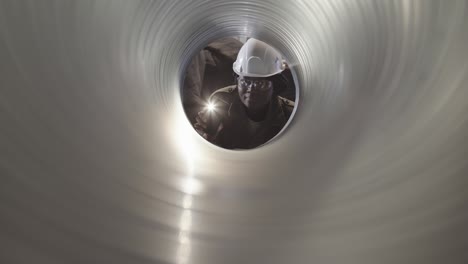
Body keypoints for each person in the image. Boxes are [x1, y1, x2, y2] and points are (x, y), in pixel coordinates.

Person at [194, 38, 295, 149]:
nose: (251, 88)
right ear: (237, 81)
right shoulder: (220, 101)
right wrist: (206, 135)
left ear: (274, 85)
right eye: (245, 81)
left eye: (260, 83)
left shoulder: (290, 115)